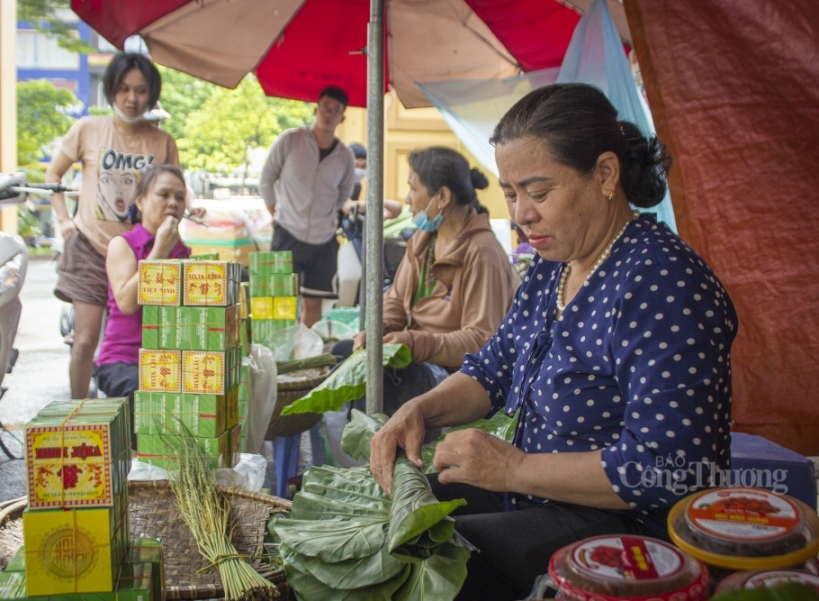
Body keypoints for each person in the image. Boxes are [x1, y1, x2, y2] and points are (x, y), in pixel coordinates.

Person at [369, 84, 738, 600]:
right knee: (388, 518)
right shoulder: (552, 268)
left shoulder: (664, 284)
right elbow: (493, 368)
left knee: (430, 561)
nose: (521, 214)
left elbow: (671, 466)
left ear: (605, 175)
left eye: (539, 193)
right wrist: (421, 410)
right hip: (534, 498)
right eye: (511, 193)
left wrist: (513, 468)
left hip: (631, 533)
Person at [336, 145, 519, 416]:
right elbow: (396, 301)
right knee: (342, 353)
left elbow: (481, 340)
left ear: (441, 196)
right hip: (422, 361)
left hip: (461, 377)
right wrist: (379, 332)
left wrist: (412, 343)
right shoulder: (423, 242)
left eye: (413, 188)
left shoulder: (482, 252)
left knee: (391, 379)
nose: (408, 199)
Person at [46, 52, 181, 400]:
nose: (132, 98)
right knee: (86, 339)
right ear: (110, 90)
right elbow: (53, 174)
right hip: (92, 246)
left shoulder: (162, 141)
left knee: (149, 339)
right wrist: (64, 220)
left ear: (151, 93)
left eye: (140, 90)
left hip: (140, 250)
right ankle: (79, 417)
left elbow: (173, 190)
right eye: (123, 89)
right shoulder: (88, 129)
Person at [94, 165, 191, 446]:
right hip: (125, 361)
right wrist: (159, 252)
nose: (173, 202)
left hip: (168, 359)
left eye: (180, 197)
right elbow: (126, 303)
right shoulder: (122, 245)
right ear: (140, 201)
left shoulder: (184, 252)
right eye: (163, 194)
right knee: (147, 390)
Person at [259, 86, 355, 328]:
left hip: (323, 239)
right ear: (316, 109)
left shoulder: (345, 156)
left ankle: (307, 356)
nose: (329, 113)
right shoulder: (291, 140)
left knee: (314, 304)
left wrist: (330, 216)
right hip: (287, 232)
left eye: (336, 110)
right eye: (326, 107)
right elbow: (267, 178)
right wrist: (274, 210)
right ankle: (278, 357)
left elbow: (344, 193)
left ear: (342, 117)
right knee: (278, 301)